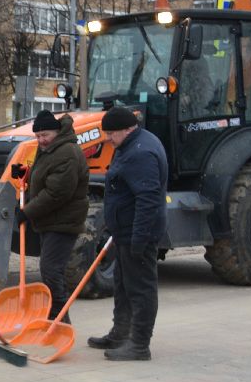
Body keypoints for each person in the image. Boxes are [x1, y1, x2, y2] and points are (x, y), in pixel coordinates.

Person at [89, 107, 168, 361]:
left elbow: (148, 199)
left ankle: (139, 345)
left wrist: (139, 238)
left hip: (138, 234)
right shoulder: (133, 145)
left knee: (140, 289)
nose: (108, 139)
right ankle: (120, 333)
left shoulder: (141, 153)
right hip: (125, 232)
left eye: (111, 133)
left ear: (127, 129)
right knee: (123, 286)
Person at [18, 110, 89, 322]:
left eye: (45, 135)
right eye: (38, 136)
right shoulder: (50, 149)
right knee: (49, 269)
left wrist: (27, 211)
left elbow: (57, 193)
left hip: (63, 220)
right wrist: (26, 174)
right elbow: (46, 176)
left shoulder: (66, 152)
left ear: (57, 132)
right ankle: (54, 317)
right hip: (51, 220)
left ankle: (59, 319)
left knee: (51, 269)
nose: (41, 140)